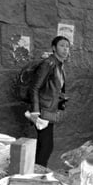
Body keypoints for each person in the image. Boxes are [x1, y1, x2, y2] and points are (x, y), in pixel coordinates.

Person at [30, 36, 70, 167]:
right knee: (46, 146)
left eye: (67, 46)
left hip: (50, 110)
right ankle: (38, 172)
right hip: (43, 110)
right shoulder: (49, 63)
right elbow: (35, 87)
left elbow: (55, 87)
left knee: (44, 145)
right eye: (62, 46)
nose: (65, 49)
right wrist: (35, 111)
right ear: (54, 48)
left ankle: (35, 170)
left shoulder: (59, 64)